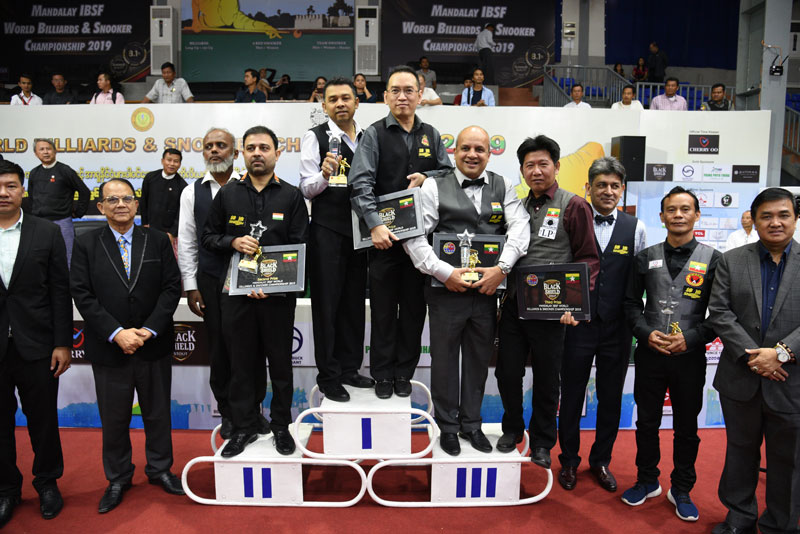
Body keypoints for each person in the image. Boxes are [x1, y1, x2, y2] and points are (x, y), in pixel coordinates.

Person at [403, 126, 530, 455]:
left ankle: (471, 424)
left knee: (477, 360)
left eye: (479, 149)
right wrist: (444, 273)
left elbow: (520, 227)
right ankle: (447, 426)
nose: (472, 155)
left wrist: (501, 269)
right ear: (454, 152)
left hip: (486, 292)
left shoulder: (503, 185)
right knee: (444, 361)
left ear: (489, 153)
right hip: (445, 291)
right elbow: (414, 236)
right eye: (465, 148)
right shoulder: (433, 186)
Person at [70, 178, 183, 514]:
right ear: (100, 207)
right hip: (110, 347)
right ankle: (118, 477)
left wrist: (148, 330)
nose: (120, 204)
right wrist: (117, 332)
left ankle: (160, 469)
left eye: (126, 199)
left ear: (136, 205)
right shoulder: (86, 243)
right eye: (112, 199)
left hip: (153, 344)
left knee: (158, 413)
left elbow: (171, 287)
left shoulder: (158, 240)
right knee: (115, 418)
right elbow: (82, 293)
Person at [202, 126, 309, 458]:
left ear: (277, 153)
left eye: (264, 147)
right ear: (242, 154)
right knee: (241, 365)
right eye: (251, 148)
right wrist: (232, 241)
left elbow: (301, 246)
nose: (257, 153)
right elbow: (208, 237)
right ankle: (244, 426)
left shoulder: (292, 196)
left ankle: (281, 426)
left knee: (280, 365)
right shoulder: (227, 194)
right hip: (236, 296)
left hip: (277, 298)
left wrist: (272, 286)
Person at [494, 135, 599, 468]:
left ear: (557, 166)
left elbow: (588, 258)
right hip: (514, 305)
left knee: (546, 378)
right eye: (529, 165)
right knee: (506, 373)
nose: (536, 171)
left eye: (543, 164)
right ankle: (512, 429)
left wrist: (575, 305)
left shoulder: (574, 205)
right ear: (522, 170)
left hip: (551, 309)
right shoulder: (516, 207)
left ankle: (542, 442)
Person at [350, 65, 452, 399]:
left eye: (409, 90)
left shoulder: (431, 134)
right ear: (385, 97)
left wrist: (428, 177)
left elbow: (448, 173)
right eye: (395, 90)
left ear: (420, 95)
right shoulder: (374, 134)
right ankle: (382, 374)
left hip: (420, 242)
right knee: (382, 311)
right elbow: (360, 183)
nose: (402, 96)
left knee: (413, 310)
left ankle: (403, 373)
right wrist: (375, 224)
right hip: (384, 241)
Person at [621, 186, 721, 522]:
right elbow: (630, 304)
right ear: (662, 216)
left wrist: (691, 339)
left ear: (697, 215)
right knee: (647, 422)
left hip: (689, 357)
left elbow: (720, 313)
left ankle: (681, 488)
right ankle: (647, 479)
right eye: (671, 210)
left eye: (685, 209)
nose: (678, 215)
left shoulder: (713, 259)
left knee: (687, 426)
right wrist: (645, 333)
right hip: (650, 353)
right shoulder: (644, 257)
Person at [708, 187, 800, 534]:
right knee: (740, 452)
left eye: (783, 215)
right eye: (767, 216)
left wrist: (780, 353)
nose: (775, 222)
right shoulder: (731, 260)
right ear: (754, 220)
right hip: (741, 377)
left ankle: (781, 523)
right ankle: (740, 517)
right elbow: (720, 312)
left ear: (795, 219)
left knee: (789, 458)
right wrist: (757, 357)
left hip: (791, 379)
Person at [557, 157, 647, 492]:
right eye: (601, 185)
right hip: (577, 325)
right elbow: (562, 267)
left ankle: (601, 461)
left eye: (614, 186)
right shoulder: (573, 220)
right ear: (588, 188)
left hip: (617, 328)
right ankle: (568, 460)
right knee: (571, 395)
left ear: (622, 190)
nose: (608, 191)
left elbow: (638, 278)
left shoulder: (636, 227)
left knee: (610, 398)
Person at [0, 160, 72, 527]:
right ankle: (6, 489)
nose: (3, 193)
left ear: (23, 190)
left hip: (39, 345)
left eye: (11, 186)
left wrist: (63, 343)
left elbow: (60, 290)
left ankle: (47, 482)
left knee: (43, 421)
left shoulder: (46, 232)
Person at [299, 78, 372, 403]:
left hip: (362, 231)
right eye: (333, 99)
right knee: (327, 306)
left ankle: (350, 369)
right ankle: (329, 376)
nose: (340, 103)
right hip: (326, 231)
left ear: (356, 102)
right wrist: (325, 175)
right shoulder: (315, 137)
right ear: (324, 106)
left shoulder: (369, 137)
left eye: (346, 98)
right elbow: (306, 188)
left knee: (354, 304)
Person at [178, 128, 249, 440]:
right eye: (209, 146)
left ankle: (250, 411)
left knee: (247, 347)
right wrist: (191, 285)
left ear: (235, 153)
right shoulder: (191, 192)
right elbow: (187, 241)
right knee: (219, 349)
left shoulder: (250, 184)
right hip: (209, 280)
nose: (215, 150)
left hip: (249, 279)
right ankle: (229, 414)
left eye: (222, 145)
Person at [27, 138, 90, 266]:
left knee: (67, 258)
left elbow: (84, 192)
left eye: (48, 149)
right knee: (40, 258)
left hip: (62, 222)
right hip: (40, 224)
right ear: (36, 154)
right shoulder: (34, 173)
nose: (45, 152)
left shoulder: (65, 170)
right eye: (41, 149)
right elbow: (31, 197)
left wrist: (79, 212)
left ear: (55, 151)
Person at [140, 148, 188, 249]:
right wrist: (145, 224)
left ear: (180, 164)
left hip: (169, 234)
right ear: (162, 161)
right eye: (169, 160)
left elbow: (181, 213)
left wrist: (172, 233)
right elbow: (143, 202)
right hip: (149, 228)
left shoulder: (183, 186)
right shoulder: (150, 177)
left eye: (176, 161)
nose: (172, 164)